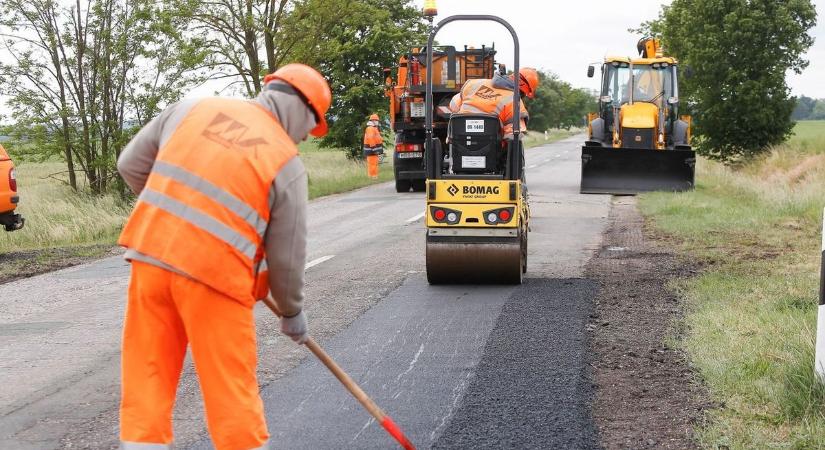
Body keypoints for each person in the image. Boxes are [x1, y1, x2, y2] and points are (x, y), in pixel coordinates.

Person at [115, 63, 331, 450]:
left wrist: (176, 213)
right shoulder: (285, 161)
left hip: (151, 259)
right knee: (229, 388)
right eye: (309, 127)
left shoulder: (190, 108)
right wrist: (292, 313)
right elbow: (287, 258)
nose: (303, 137)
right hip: (216, 279)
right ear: (303, 110)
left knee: (148, 374)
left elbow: (129, 165)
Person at [449, 67, 540, 140]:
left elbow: (453, 105)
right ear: (522, 88)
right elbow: (514, 135)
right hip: (492, 152)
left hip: (460, 142)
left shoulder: (474, 83)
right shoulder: (514, 100)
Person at [362, 113, 384, 179]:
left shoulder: (373, 128)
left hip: (372, 149)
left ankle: (373, 175)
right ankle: (373, 176)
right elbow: (371, 139)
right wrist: (374, 149)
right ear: (373, 121)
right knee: (373, 163)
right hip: (372, 150)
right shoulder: (370, 128)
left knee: (373, 163)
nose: (377, 122)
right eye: (377, 120)